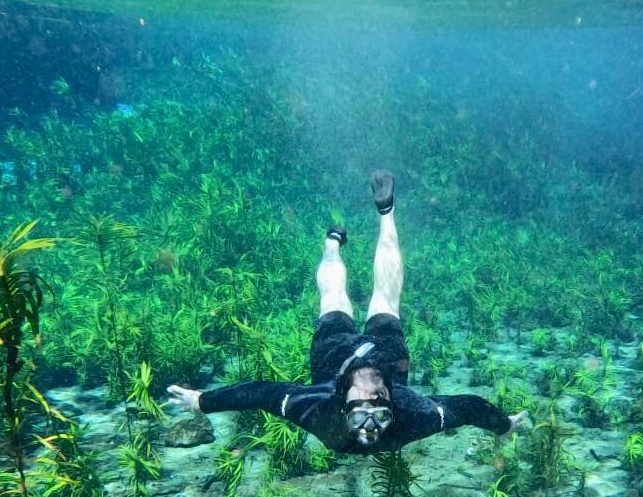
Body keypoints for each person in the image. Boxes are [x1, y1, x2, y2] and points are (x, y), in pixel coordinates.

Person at [167, 169, 528, 454]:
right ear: (341, 404)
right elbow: (260, 392)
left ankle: (369, 223)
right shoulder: (325, 411)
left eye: (376, 414)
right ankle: (345, 239)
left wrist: (502, 425)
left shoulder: (406, 414)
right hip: (354, 355)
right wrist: (204, 401)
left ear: (392, 400)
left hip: (339, 355)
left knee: (344, 299)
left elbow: (468, 407)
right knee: (369, 297)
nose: (370, 428)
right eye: (362, 415)